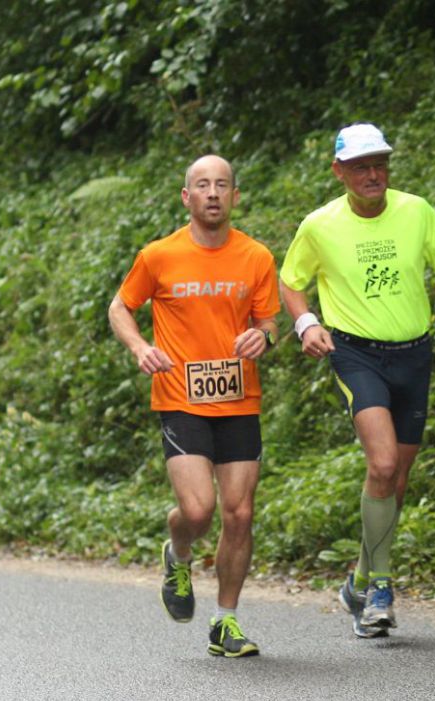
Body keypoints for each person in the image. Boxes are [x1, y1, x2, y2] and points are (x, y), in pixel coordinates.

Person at [280, 123, 435, 638]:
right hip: (355, 354)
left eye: (380, 163)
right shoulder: (320, 225)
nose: (373, 174)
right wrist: (307, 323)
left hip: (413, 354)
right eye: (361, 166)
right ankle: (379, 592)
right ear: (338, 171)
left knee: (396, 481)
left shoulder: (416, 211)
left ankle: (358, 579)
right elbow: (291, 282)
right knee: (382, 463)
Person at [108, 154, 280, 657]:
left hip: (239, 398)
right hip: (181, 399)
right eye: (202, 185)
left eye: (221, 185)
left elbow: (270, 322)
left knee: (240, 513)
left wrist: (262, 339)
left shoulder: (257, 257)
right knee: (198, 509)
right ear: (187, 197)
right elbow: (121, 306)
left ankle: (225, 622)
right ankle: (178, 550)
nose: (212, 193)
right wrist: (141, 348)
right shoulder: (160, 255)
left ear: (234, 196)